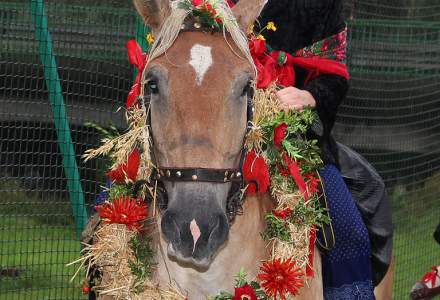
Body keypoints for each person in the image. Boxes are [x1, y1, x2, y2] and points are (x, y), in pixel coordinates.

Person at [252, 0, 379, 298]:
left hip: (295, 145)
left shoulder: (319, 5)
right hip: (208, 142)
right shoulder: (206, 6)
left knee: (349, 236)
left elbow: (334, 76)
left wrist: (310, 95)